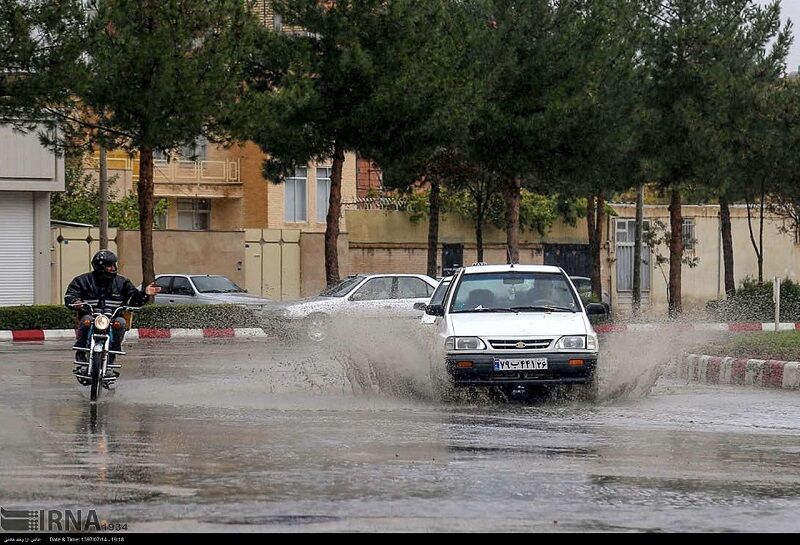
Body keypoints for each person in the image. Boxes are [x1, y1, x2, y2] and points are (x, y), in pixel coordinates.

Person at [64, 250, 160, 378]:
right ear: (100, 266)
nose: (113, 268)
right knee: (85, 320)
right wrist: (75, 302)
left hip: (113, 317)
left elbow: (134, 299)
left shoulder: (122, 282)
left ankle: (113, 353)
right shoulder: (82, 280)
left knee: (120, 323)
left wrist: (144, 294)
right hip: (91, 316)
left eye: (114, 264)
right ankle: (81, 352)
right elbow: (70, 294)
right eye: (109, 265)